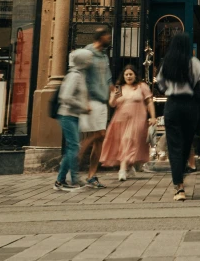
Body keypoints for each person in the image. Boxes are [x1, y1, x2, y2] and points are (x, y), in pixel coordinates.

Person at [157, 32, 200, 202]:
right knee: (186, 145)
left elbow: (160, 85)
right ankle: (181, 177)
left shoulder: (167, 63)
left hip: (172, 105)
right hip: (190, 106)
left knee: (174, 146)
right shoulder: (194, 63)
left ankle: (178, 187)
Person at [100, 65, 157, 180]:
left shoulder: (142, 86)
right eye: (126, 74)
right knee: (124, 143)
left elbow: (149, 102)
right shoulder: (119, 88)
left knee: (128, 140)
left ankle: (122, 169)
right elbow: (112, 104)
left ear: (135, 75)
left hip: (137, 119)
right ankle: (130, 166)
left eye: (131, 74)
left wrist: (153, 117)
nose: (129, 76)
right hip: (120, 119)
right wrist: (114, 97)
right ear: (123, 76)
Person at [79, 25, 114, 189]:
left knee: (99, 139)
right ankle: (71, 168)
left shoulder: (104, 57)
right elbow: (80, 77)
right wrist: (84, 101)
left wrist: (113, 92)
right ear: (101, 37)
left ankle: (91, 176)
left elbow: (107, 80)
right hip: (90, 101)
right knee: (95, 135)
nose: (110, 39)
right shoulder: (87, 53)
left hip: (102, 102)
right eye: (108, 36)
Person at [54, 48, 93, 192]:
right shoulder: (75, 76)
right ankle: (74, 178)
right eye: (88, 59)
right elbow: (65, 97)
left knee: (72, 147)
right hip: (67, 115)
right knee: (74, 147)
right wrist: (83, 107)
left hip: (73, 115)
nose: (90, 61)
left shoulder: (80, 74)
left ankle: (60, 180)